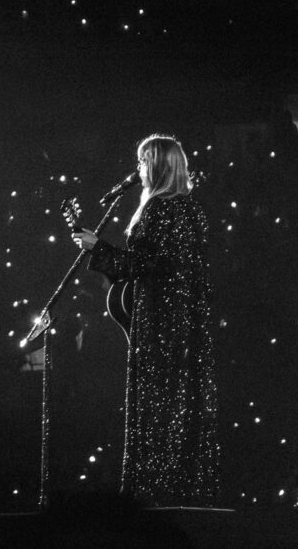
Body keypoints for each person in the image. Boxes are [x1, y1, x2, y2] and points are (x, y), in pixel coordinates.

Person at [73, 134, 221, 507]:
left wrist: (98, 248)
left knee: (156, 407)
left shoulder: (158, 210)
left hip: (159, 319)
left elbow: (148, 267)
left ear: (154, 166)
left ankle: (153, 491)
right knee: (180, 404)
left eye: (141, 163)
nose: (136, 170)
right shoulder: (192, 210)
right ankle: (183, 489)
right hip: (186, 321)